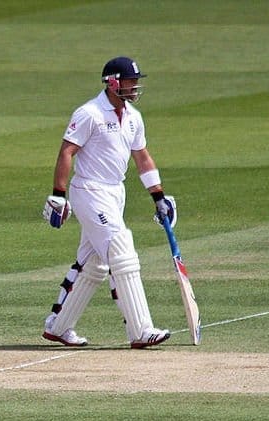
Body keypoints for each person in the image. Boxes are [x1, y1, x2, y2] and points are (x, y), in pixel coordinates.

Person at [40, 56, 175, 349]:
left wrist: (159, 196)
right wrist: (58, 195)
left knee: (94, 264)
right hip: (89, 191)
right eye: (130, 81)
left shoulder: (133, 117)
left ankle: (58, 326)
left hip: (115, 193)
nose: (135, 86)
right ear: (113, 82)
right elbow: (66, 152)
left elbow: (142, 157)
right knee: (121, 249)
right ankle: (140, 331)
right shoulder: (90, 113)